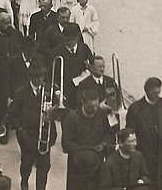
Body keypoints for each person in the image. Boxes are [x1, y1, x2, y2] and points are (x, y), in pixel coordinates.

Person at [8, 61, 55, 190]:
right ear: (30, 77)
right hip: (27, 135)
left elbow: (58, 110)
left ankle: (41, 187)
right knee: (27, 163)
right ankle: (24, 181)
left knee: (44, 165)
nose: (40, 80)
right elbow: (12, 114)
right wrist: (20, 130)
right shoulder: (21, 92)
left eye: (42, 76)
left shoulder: (49, 90)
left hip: (45, 133)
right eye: (37, 77)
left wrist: (54, 112)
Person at [61, 87, 114, 190]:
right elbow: (66, 142)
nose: (94, 109)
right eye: (91, 106)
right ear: (83, 103)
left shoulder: (102, 115)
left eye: (96, 105)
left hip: (97, 164)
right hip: (77, 166)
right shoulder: (72, 118)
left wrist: (104, 144)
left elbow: (110, 134)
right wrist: (84, 151)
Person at [126, 77, 162, 184]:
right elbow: (130, 133)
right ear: (147, 91)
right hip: (145, 153)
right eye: (154, 93)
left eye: (159, 92)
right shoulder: (135, 108)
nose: (157, 95)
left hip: (161, 153)